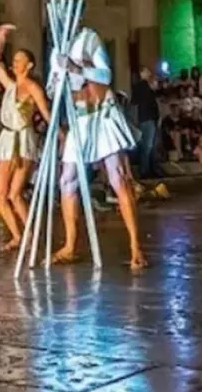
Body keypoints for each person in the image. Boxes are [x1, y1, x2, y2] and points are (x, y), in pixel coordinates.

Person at [51, 21, 147, 270]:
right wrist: (58, 80)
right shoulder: (57, 47)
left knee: (118, 178)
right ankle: (71, 245)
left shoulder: (89, 38)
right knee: (67, 181)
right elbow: (54, 89)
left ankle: (136, 246)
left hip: (102, 114)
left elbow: (104, 75)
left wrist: (75, 67)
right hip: (79, 118)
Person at [0, 23, 49, 250]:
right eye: (15, 59)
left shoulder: (33, 88)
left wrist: (59, 134)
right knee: (0, 195)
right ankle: (18, 236)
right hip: (7, 139)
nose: (15, 63)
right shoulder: (10, 86)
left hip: (23, 141)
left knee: (15, 193)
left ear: (29, 65)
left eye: (19, 60)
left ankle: (30, 233)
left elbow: (45, 113)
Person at [130, 66, 162, 180]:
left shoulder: (146, 86)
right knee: (147, 146)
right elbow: (135, 103)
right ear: (142, 73)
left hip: (150, 118)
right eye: (147, 71)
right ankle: (145, 170)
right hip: (146, 118)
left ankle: (150, 168)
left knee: (151, 145)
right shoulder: (142, 86)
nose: (149, 72)